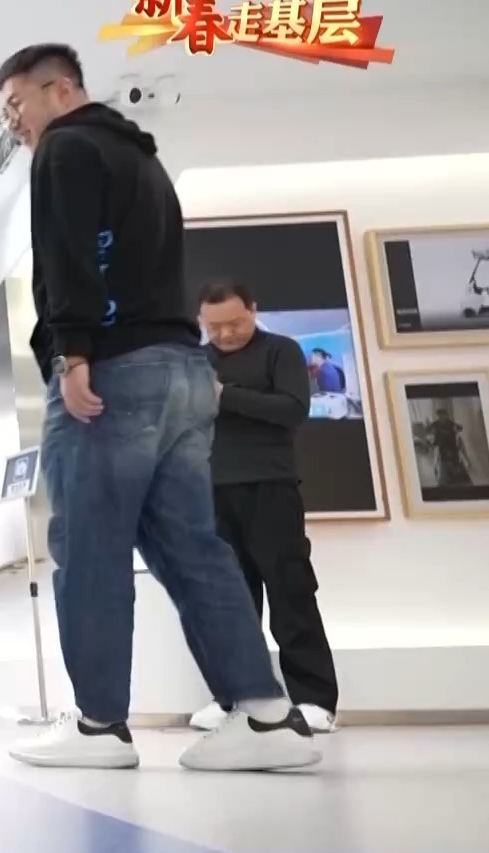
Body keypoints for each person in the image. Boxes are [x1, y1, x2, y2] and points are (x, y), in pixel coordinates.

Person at [0, 43, 318, 773]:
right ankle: (264, 713)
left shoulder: (65, 148)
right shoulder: (143, 161)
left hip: (113, 373)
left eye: (17, 104)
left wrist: (73, 352)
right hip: (181, 372)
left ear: (61, 90)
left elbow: (68, 255)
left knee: (89, 549)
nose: (13, 121)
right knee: (193, 548)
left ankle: (100, 726)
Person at [189, 281, 339, 734]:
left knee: (290, 590)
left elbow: (292, 409)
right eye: (214, 326)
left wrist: (224, 396)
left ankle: (314, 699)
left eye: (235, 323)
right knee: (230, 601)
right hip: (210, 490)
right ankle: (234, 698)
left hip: (270, 488)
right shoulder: (196, 361)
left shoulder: (281, 351)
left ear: (253, 311)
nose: (225, 334)